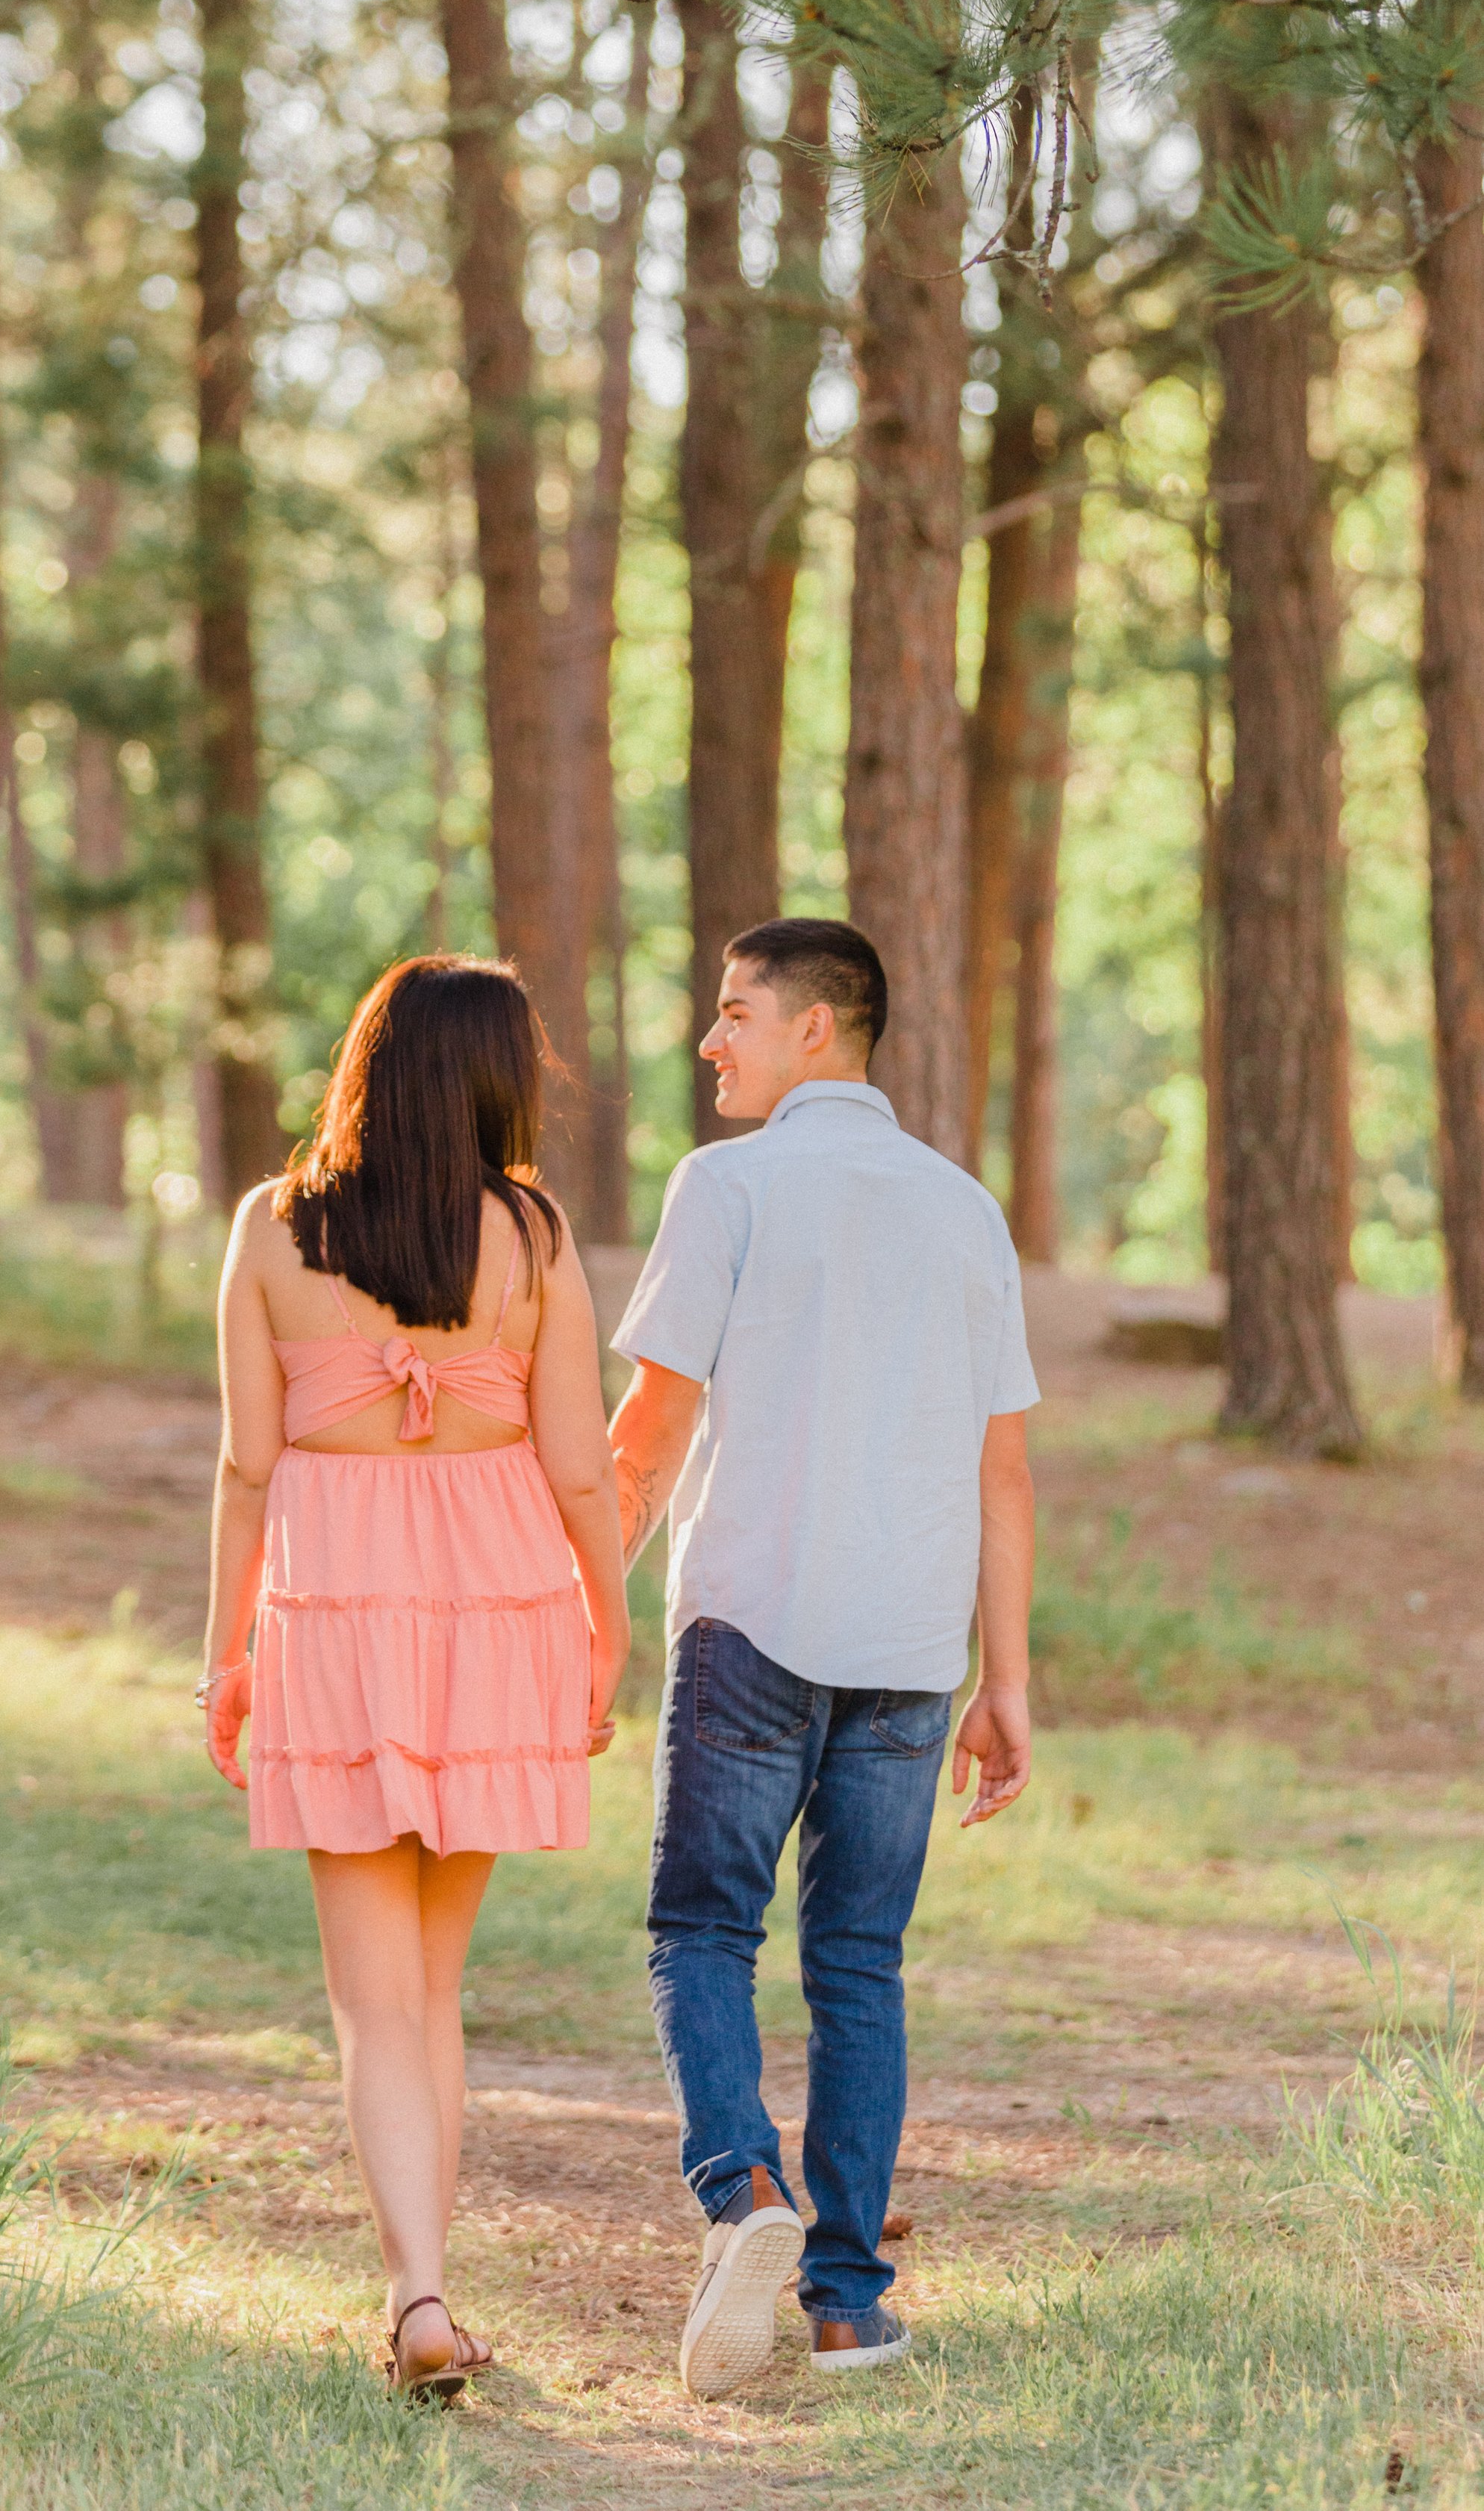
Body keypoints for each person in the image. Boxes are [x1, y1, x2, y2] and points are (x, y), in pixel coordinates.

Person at [608, 916, 1038, 2401]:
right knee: (857, 1963)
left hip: (747, 1621)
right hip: (913, 1647)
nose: (709, 1039)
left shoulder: (724, 1184)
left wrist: (575, 1603)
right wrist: (1009, 1682)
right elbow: (1003, 1476)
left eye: (733, 1012)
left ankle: (743, 2194)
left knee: (701, 1929)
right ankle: (848, 2306)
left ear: (814, 1031)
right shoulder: (962, 1208)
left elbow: (647, 1435)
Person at [201, 956, 631, 2403]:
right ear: (494, 1080)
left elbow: (247, 1464)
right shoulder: (536, 1237)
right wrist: (607, 1623)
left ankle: (421, 2294)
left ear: (370, 1069)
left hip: (333, 1613)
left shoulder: (271, 1229)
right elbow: (577, 1465)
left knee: (374, 2001)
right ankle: (423, 2293)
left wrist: (224, 1649)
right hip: (500, 1608)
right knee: (435, 1990)